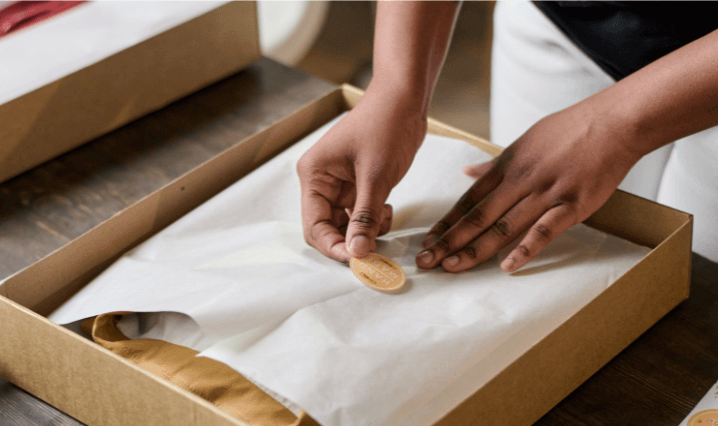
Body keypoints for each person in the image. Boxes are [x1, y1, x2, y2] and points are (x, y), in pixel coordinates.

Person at [297, 1, 718, 274]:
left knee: (698, 283)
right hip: (559, 25)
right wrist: (396, 86)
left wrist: (612, 127)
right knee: (548, 262)